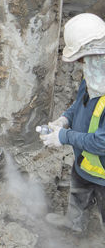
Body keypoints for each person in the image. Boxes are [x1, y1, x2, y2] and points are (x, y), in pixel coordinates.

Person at [40, 13, 105, 232]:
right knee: (78, 194)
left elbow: (102, 142)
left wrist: (63, 137)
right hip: (85, 161)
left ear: (96, 55)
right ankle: (74, 226)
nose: (81, 65)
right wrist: (65, 119)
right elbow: (80, 104)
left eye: (82, 59)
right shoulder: (94, 76)